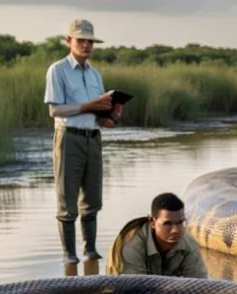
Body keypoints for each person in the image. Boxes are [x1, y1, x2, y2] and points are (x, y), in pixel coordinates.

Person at [44, 18, 123, 267]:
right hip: (69, 138)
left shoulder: (95, 74)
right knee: (67, 199)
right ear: (69, 41)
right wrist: (89, 106)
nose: (86, 45)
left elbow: (98, 117)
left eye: (90, 41)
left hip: (93, 138)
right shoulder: (58, 70)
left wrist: (112, 116)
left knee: (93, 198)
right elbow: (55, 110)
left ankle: (90, 251)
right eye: (81, 40)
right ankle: (69, 254)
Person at [107, 192, 208, 279]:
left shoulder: (189, 244)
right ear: (152, 222)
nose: (176, 230)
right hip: (122, 292)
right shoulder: (131, 245)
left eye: (180, 222)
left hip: (165, 291)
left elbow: (199, 282)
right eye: (167, 224)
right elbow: (131, 290)